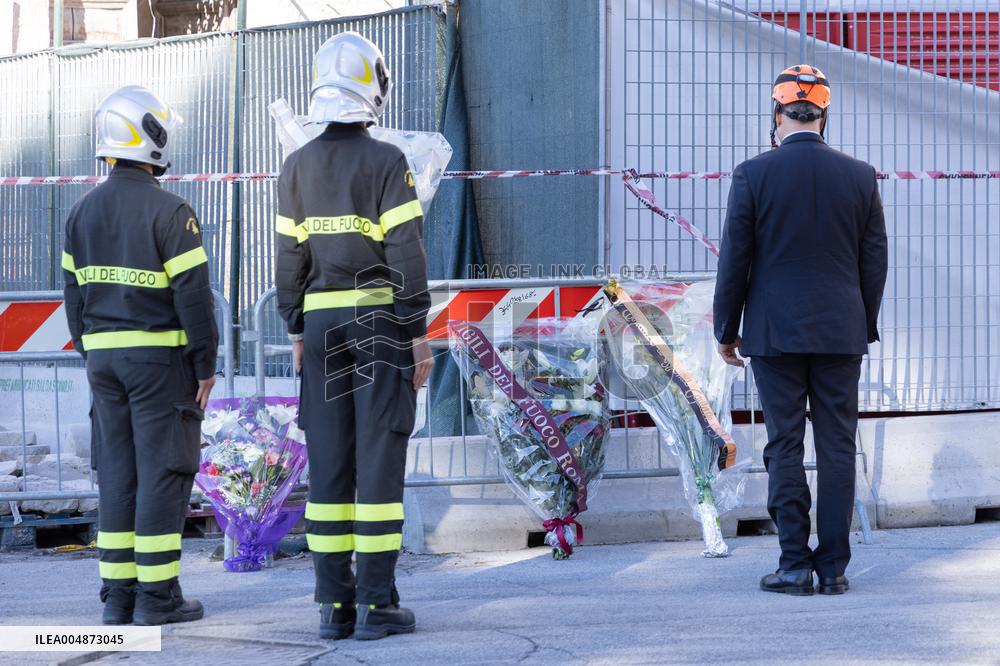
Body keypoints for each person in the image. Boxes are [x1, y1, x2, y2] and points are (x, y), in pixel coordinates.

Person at [275, 31, 434, 641]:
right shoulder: (387, 162)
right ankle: (376, 604)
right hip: (379, 327)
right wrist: (417, 330)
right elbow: (406, 254)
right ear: (372, 88)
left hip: (320, 328)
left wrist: (295, 324)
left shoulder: (296, 165)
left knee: (331, 461)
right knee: (379, 456)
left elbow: (289, 260)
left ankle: (332, 606)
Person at [713, 65, 888, 596]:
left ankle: (793, 564)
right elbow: (873, 259)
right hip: (841, 331)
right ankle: (833, 568)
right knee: (837, 446)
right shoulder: (859, 175)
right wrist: (862, 320)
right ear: (824, 115)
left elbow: (735, 260)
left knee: (783, 446)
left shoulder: (753, 174)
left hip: (774, 333)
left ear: (777, 113)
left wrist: (727, 328)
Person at [63, 85, 218, 624]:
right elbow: (194, 299)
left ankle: (118, 597)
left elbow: (75, 299)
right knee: (163, 472)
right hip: (158, 365)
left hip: (102, 365)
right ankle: (157, 598)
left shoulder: (80, 213)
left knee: (119, 476)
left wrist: (93, 353)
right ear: (152, 134)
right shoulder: (172, 211)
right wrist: (205, 365)